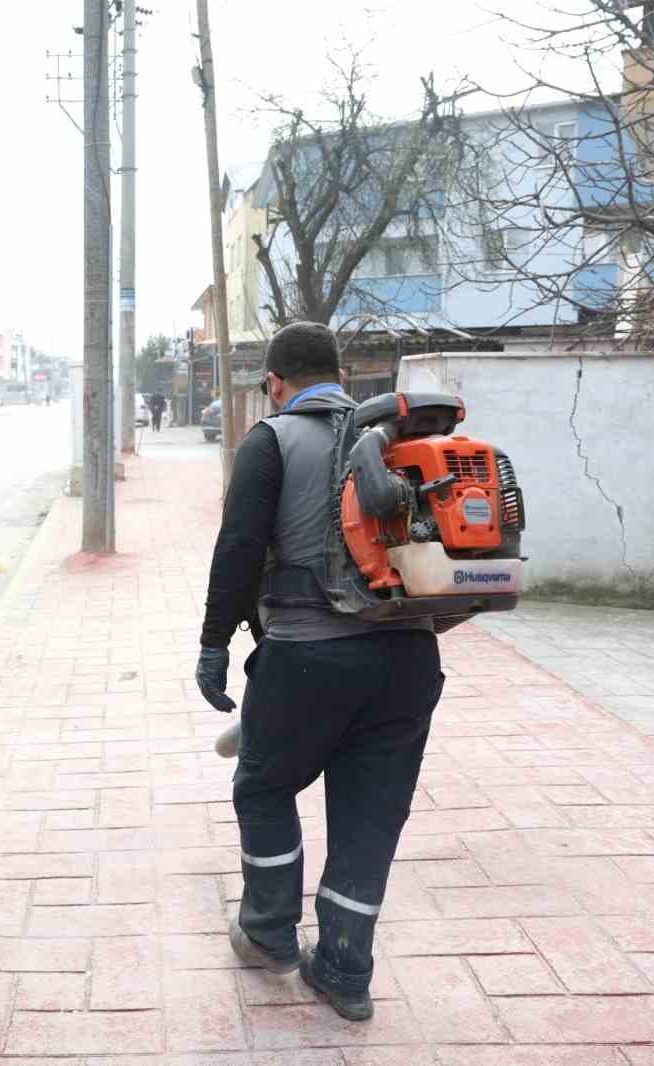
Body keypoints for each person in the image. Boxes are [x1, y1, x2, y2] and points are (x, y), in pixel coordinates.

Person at [193, 321, 443, 1023]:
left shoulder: (272, 440)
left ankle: (270, 935)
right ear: (338, 374)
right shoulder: (396, 443)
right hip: (409, 664)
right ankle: (343, 972)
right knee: (371, 816)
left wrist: (215, 644)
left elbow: (240, 547)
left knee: (265, 787)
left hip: (307, 657)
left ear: (274, 382)